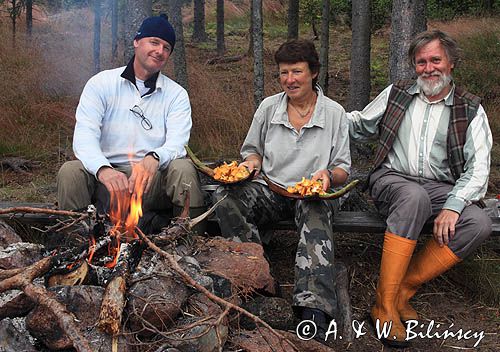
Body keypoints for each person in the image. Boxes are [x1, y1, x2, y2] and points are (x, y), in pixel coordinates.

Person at [347, 29, 492, 347]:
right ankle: (383, 307)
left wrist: (454, 205)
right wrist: (321, 114)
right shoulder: (396, 94)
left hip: (441, 188)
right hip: (393, 181)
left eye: (435, 60)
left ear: (451, 62)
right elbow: (358, 126)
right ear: (414, 66)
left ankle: (401, 291)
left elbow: (478, 170)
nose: (428, 68)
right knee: (413, 197)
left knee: (478, 222)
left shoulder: (469, 110)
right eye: (421, 62)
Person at [212, 39, 351, 336]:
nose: (289, 80)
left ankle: (313, 307)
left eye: (297, 72)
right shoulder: (268, 108)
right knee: (226, 198)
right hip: (273, 190)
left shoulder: (334, 112)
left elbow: (343, 168)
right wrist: (248, 167)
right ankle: (254, 286)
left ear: (313, 72)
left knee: (314, 208)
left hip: (316, 192)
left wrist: (327, 174)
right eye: (284, 73)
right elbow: (252, 152)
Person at [57, 14, 204, 231]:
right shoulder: (102, 84)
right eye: (154, 42)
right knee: (70, 172)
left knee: (183, 168)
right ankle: (76, 245)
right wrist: (103, 169)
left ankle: (190, 244)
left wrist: (155, 157)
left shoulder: (176, 94)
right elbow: (84, 137)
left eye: (166, 47)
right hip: (107, 182)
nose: (160, 51)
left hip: (151, 183)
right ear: (136, 42)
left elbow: (179, 142)